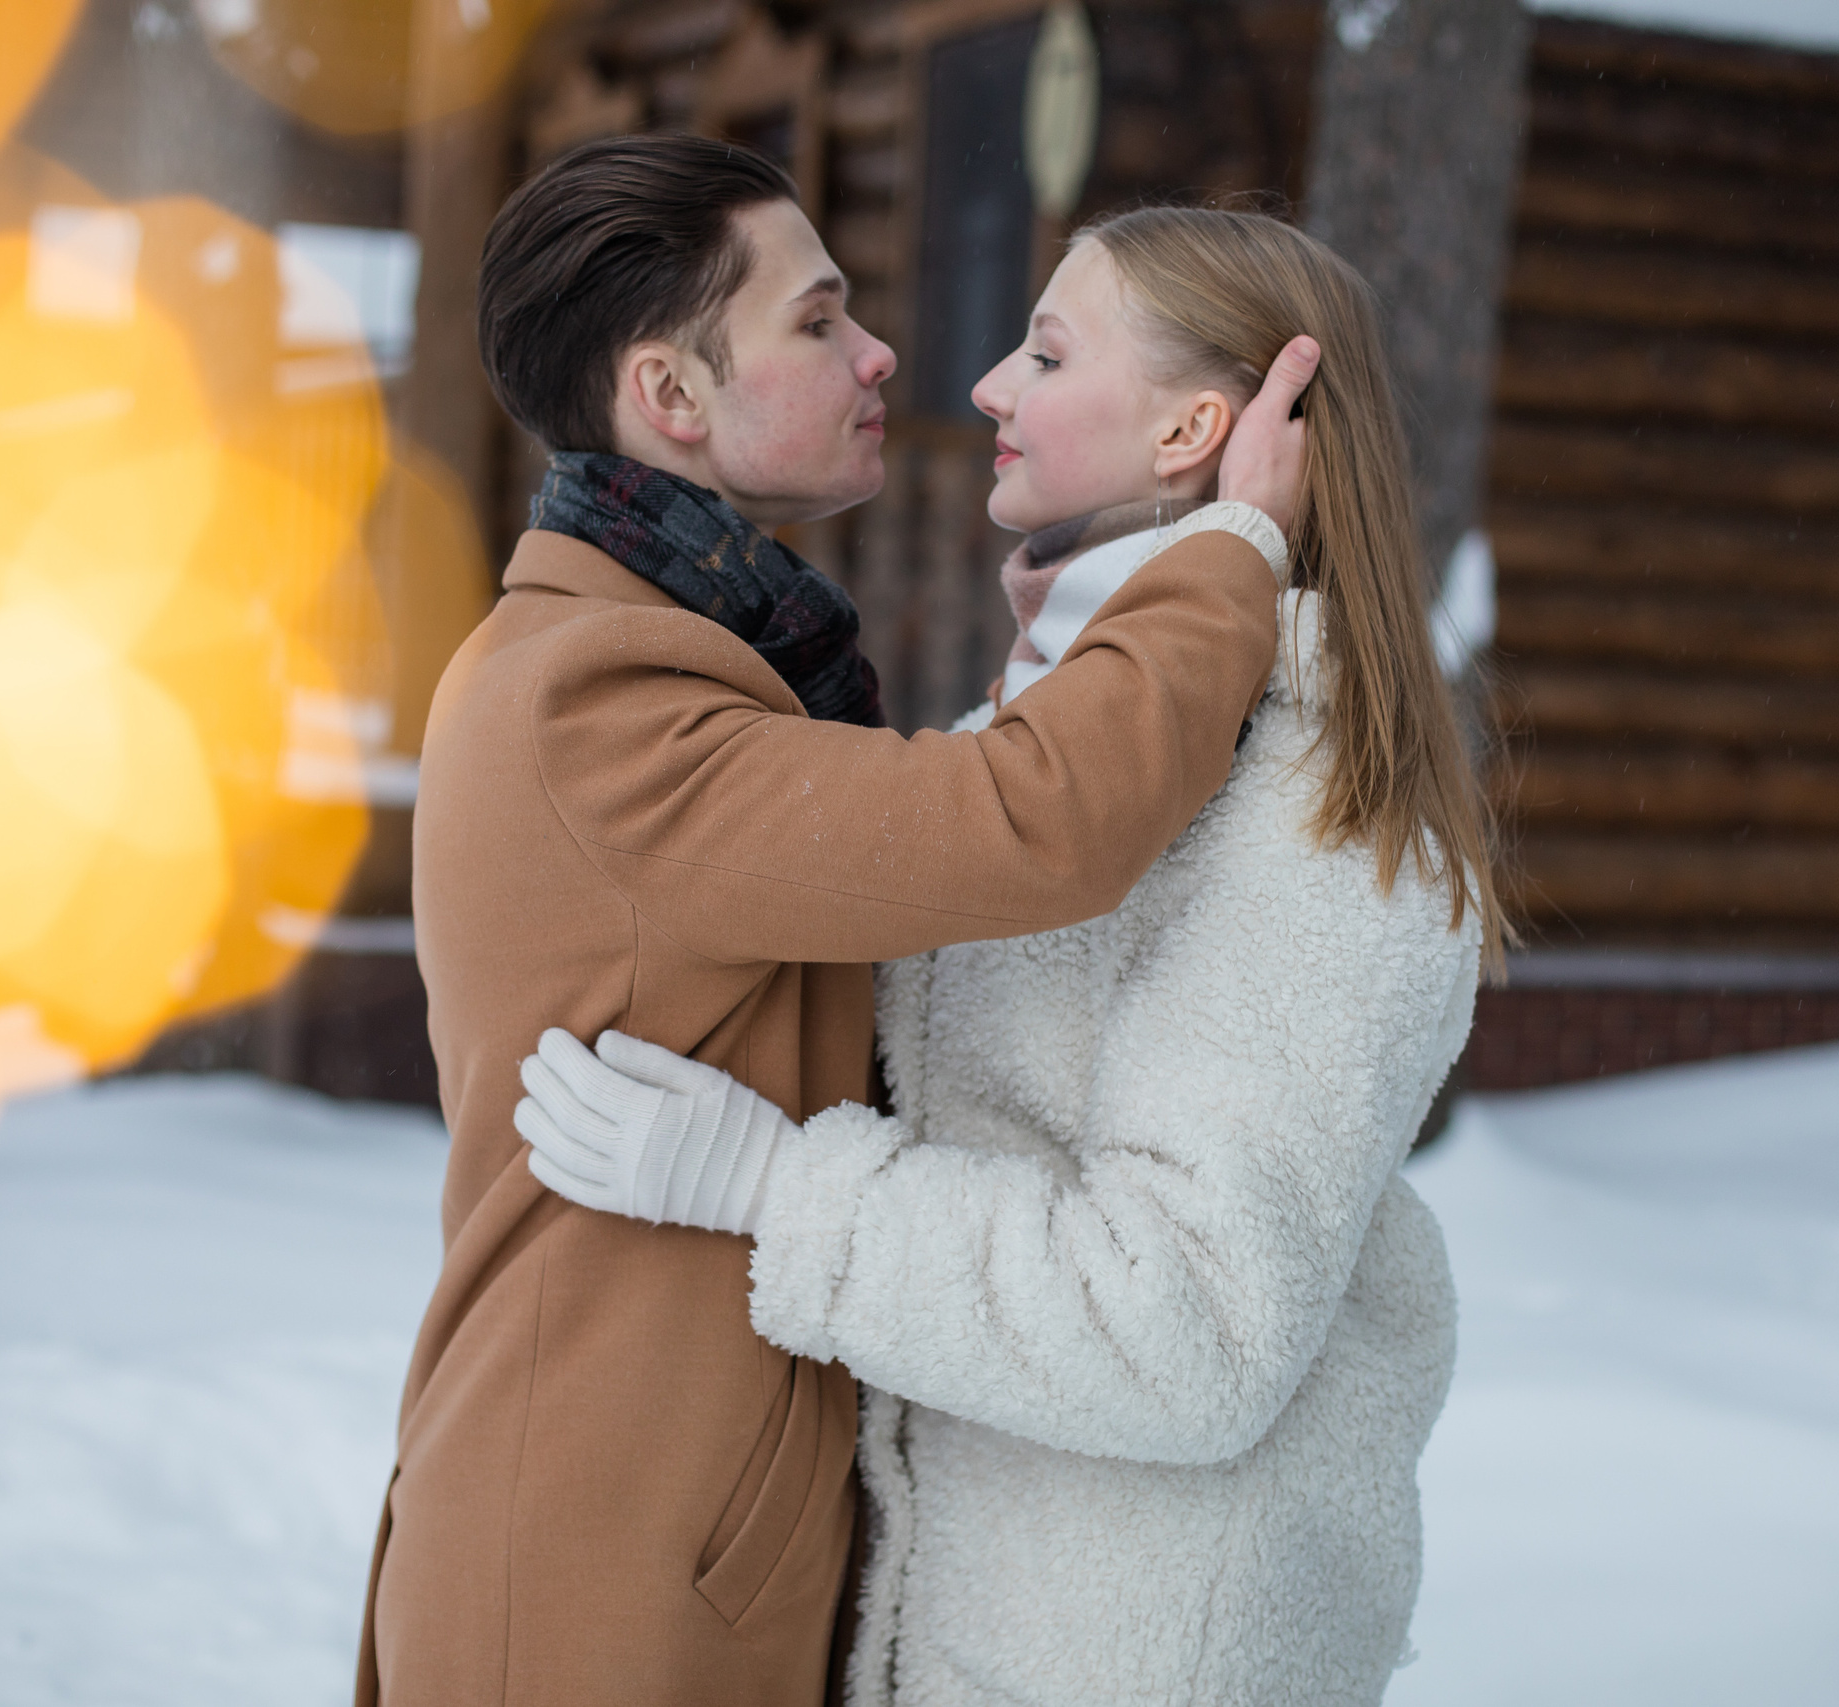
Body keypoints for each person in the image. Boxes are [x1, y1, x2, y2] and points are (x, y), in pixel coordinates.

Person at [357, 139, 1320, 1707]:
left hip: (682, 1528)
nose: (882, 353)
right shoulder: (591, 697)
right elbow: (1033, 824)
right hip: (596, 1566)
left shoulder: (680, 660)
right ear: (674, 398)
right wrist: (1230, 555)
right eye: (818, 322)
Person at [515, 206, 1506, 1706]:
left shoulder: (1316, 833)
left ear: (1193, 427)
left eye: (1047, 351)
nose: (984, 384)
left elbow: (1189, 1325)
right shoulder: (1038, 760)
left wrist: (775, 1188)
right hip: (955, 1629)